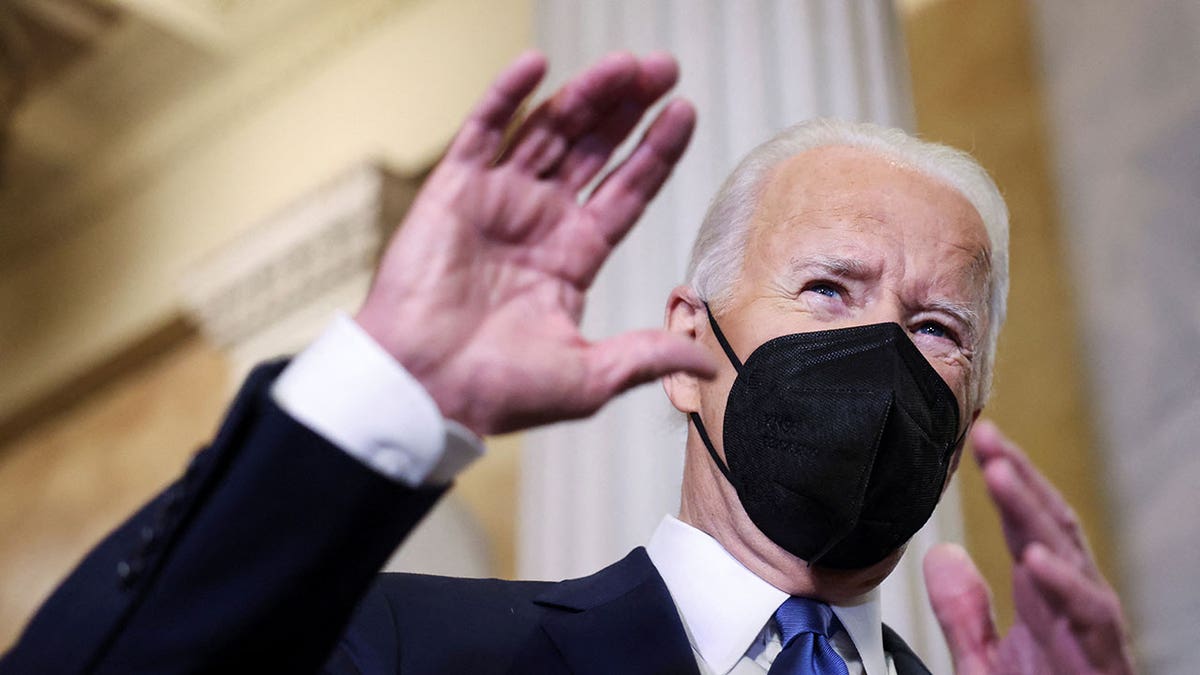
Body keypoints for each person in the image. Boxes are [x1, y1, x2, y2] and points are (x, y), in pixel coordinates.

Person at [0, 51, 1134, 675]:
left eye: (938, 329)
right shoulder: (401, 648)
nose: (883, 346)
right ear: (691, 348)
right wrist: (389, 386)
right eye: (830, 288)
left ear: (973, 405)